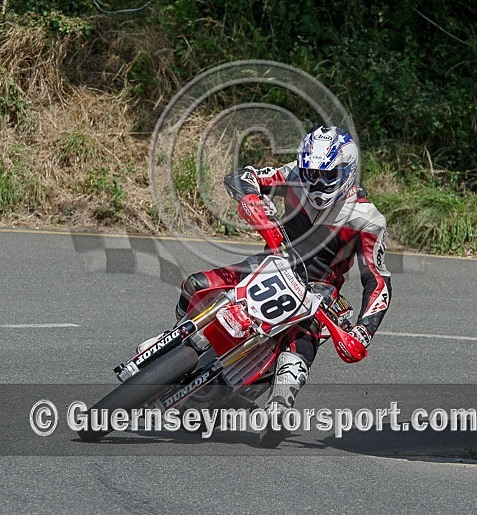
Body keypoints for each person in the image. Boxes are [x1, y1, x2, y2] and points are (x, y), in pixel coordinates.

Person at [145, 126, 392, 447]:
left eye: (325, 175)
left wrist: (363, 331)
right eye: (310, 173)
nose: (315, 183)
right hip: (271, 263)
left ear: (347, 172)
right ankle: (176, 341)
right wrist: (250, 197)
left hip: (320, 288)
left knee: (305, 331)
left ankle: (281, 400)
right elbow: (244, 176)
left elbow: (378, 281)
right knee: (196, 284)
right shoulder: (293, 175)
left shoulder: (369, 219)